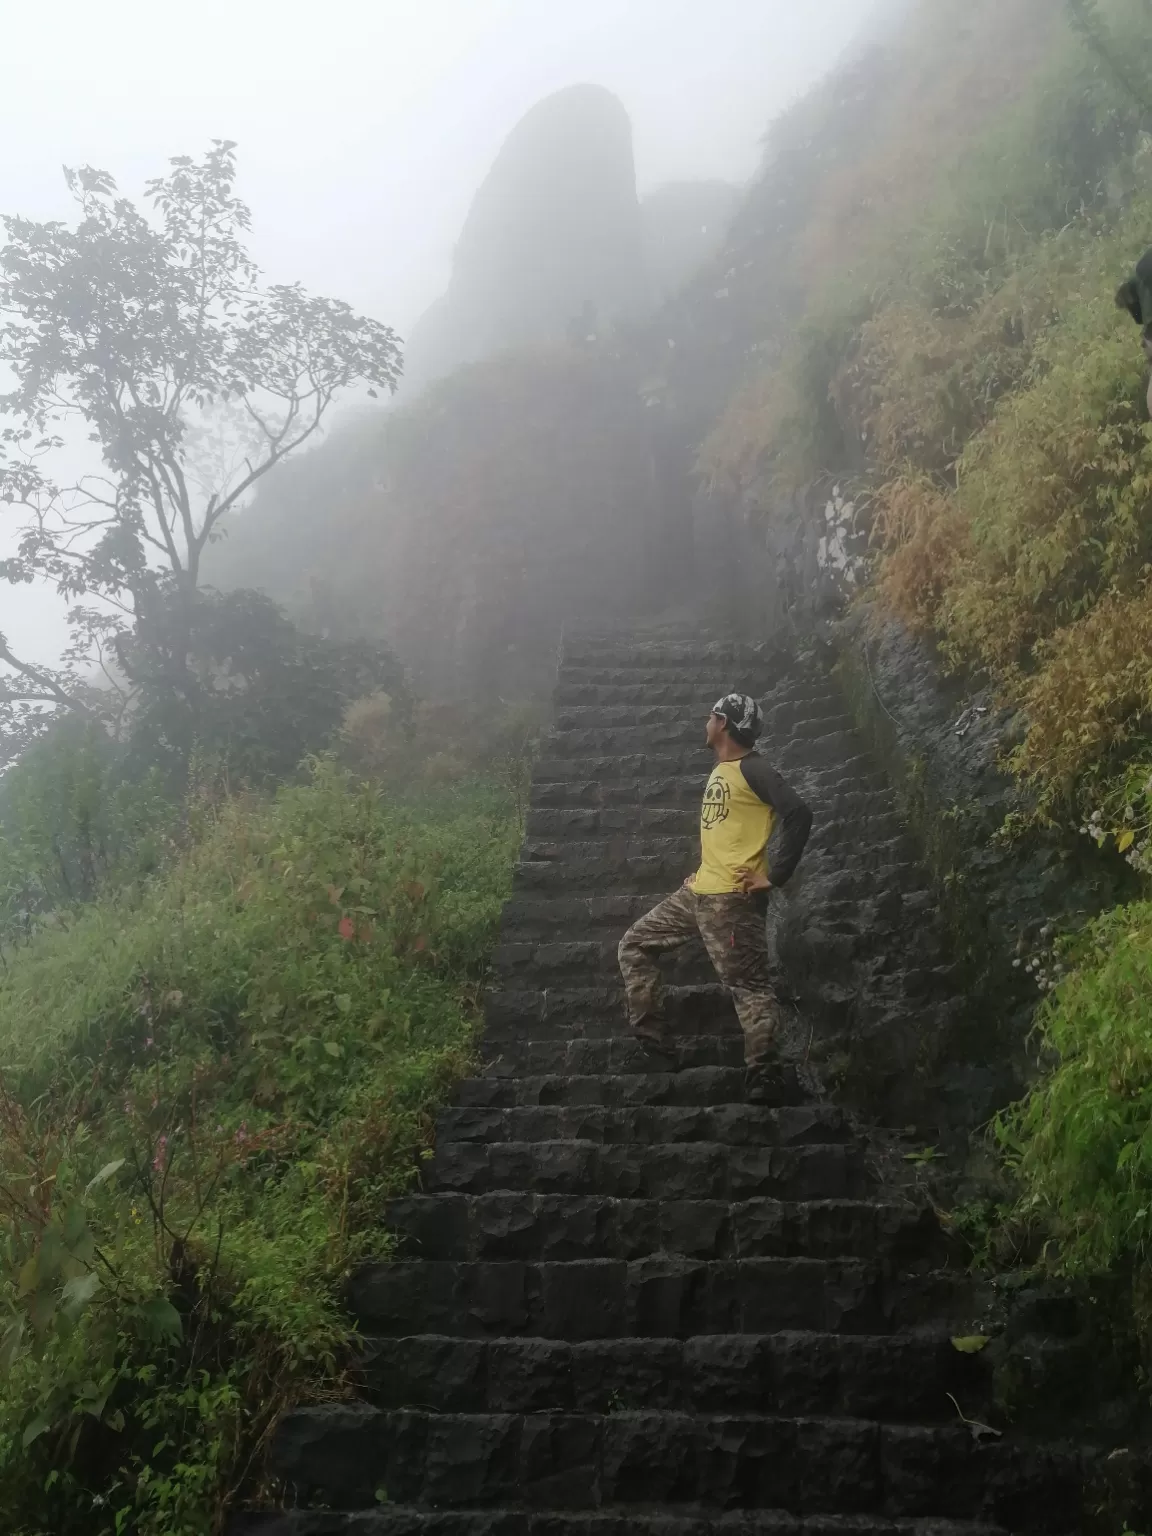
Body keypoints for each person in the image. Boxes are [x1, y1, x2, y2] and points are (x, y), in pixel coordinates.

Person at [617, 691, 813, 1103]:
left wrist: (774, 875)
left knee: (751, 986)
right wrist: (702, 871)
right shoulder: (724, 768)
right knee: (634, 944)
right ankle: (655, 1046)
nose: (706, 721)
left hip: (732, 902)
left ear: (723, 723)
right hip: (698, 892)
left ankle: (765, 1075)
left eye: (711, 716)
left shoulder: (754, 768)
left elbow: (799, 812)